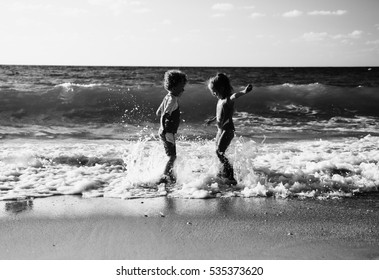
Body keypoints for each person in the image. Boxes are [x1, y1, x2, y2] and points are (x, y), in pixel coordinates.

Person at [207, 73, 253, 185]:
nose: (213, 93)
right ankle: (224, 172)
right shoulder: (219, 100)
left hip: (227, 130)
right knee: (217, 152)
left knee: (219, 152)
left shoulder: (228, 99)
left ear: (221, 88)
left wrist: (244, 92)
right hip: (220, 131)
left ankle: (230, 173)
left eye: (214, 91)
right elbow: (219, 114)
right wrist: (213, 120)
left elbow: (235, 96)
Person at [156, 70, 188, 184]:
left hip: (165, 131)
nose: (183, 89)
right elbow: (164, 114)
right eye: (181, 86)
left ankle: (170, 176)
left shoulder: (167, 97)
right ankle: (164, 177)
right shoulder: (173, 99)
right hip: (168, 132)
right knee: (172, 157)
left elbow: (158, 112)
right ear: (174, 87)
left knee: (172, 155)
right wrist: (165, 127)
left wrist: (162, 127)